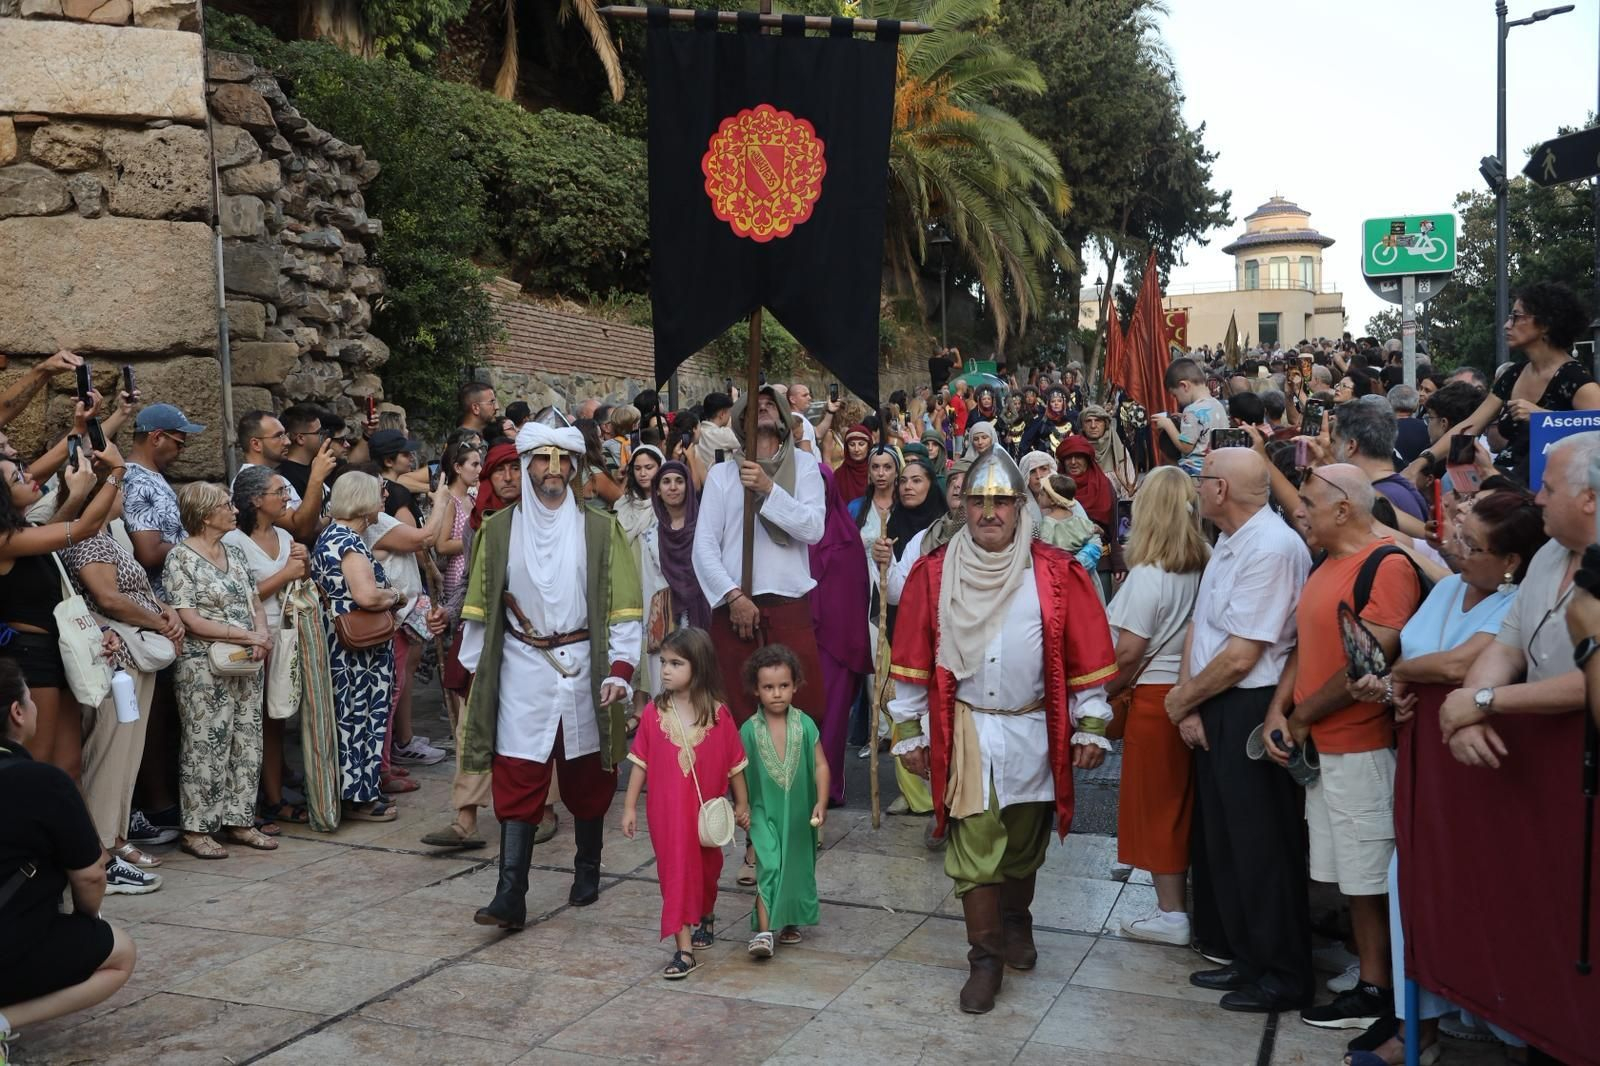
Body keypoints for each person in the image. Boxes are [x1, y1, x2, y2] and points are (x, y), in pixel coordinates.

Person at [888, 444, 1116, 1014]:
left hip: (1033, 728)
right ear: (962, 505)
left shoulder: (1057, 572)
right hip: (966, 729)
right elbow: (913, 655)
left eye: (1001, 502)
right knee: (975, 842)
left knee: (1023, 839)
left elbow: (1085, 648)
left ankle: (1017, 922)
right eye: (978, 501)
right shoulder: (933, 573)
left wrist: (1090, 723)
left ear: (1021, 507)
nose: (989, 513)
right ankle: (984, 959)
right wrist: (909, 732)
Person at [1341, 488, 1544, 1064]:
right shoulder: (1451, 586)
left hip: (1481, 777)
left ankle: (1502, 1023)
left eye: (1470, 544)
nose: (1454, 550)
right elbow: (1423, 651)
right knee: (1415, 884)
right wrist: (1394, 687)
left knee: (1481, 895)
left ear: (1510, 562)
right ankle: (1417, 1024)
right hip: (1422, 763)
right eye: (1457, 537)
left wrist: (1398, 674)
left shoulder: (1518, 602)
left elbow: (1463, 664)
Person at [459, 420, 643, 928]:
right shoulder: (496, 530)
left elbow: (626, 608)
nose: (552, 470)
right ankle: (509, 895)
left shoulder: (602, 529)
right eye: (541, 459)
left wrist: (620, 670)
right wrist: (477, 673)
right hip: (521, 666)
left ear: (577, 466)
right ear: (524, 466)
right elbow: (480, 606)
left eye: (562, 460)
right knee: (517, 774)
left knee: (587, 776)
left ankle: (588, 867)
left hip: (587, 664)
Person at [1265, 465, 1423, 1031]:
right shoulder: (1327, 563)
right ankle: (1370, 971)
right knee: (1348, 874)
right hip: (1324, 744)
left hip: (1360, 746)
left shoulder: (1388, 565)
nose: (1299, 511)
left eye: (1307, 501)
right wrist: (1279, 709)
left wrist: (1302, 715)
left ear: (1343, 509)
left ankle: (1379, 989)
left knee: (1369, 875)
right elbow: (1307, 649)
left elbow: (1369, 659)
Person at [1168, 447, 1313, 1013]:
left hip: (1249, 704)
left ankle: (1283, 971)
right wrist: (1189, 705)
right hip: (1216, 701)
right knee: (1225, 841)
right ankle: (1247, 957)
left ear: (1222, 490)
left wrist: (1183, 699)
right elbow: (1201, 629)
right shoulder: (1230, 540)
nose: (1196, 490)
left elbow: (1243, 655)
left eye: (1202, 480)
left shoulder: (1273, 548)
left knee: (1261, 845)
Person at [0, 660, 138, 1056]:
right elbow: (92, 875)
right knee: (119, 954)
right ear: (18, 712)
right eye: (30, 698)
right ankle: (4, 1022)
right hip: (7, 949)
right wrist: (84, 922)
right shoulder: (43, 782)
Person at [1437, 432, 1598, 766]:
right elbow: (1507, 648)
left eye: (1550, 490)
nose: (1538, 499)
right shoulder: (1547, 555)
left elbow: (1591, 679)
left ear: (1590, 499)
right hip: (1548, 761)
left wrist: (1484, 700)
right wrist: (1470, 710)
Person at [61, 488, 183, 893]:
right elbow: (108, 597)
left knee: (130, 747)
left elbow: (132, 590)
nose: (125, 497)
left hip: (135, 646)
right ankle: (101, 847)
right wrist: (161, 621)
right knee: (111, 747)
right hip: (116, 652)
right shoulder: (88, 538)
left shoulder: (111, 534)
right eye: (117, 489)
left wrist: (162, 613)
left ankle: (115, 836)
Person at [1107, 467, 1207, 946]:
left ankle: (1171, 913)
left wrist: (1102, 691)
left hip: (1152, 697)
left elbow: (1128, 650)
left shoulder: (1150, 574)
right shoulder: (1205, 560)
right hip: (1190, 692)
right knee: (1180, 802)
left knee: (1159, 805)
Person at [619, 626, 750, 978]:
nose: (665, 670)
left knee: (707, 872)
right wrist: (629, 806)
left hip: (706, 816)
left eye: (676, 663)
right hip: (666, 816)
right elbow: (639, 764)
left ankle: (705, 913)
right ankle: (684, 950)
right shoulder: (652, 714)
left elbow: (736, 763)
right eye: (663, 662)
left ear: (699, 666)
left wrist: (742, 805)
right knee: (675, 874)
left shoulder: (719, 714)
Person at [692, 387, 827, 723]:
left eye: (771, 405)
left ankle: (795, 778)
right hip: (736, 613)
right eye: (756, 406)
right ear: (741, 420)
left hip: (788, 609)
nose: (764, 409)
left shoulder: (805, 466)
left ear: (783, 417)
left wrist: (768, 489)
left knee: (802, 713)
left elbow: (813, 529)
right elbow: (704, 546)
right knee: (735, 715)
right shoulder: (723, 474)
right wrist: (733, 596)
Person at [163, 481, 274, 860]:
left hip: (245, 661)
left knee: (247, 739)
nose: (235, 510)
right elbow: (188, 618)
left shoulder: (234, 552)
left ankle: (240, 820)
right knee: (205, 742)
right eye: (227, 505)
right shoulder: (180, 557)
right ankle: (196, 829)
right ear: (206, 515)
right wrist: (245, 634)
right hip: (203, 667)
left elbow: (254, 599)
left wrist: (260, 634)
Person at [0, 439, 124, 778]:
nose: (28, 477)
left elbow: (57, 527)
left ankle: (69, 831)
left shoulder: (25, 532)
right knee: (36, 762)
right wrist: (116, 472)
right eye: (16, 479)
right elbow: (82, 529)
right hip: (31, 656)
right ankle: (28, 830)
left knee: (69, 765)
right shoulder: (4, 540)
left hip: (59, 650)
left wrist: (77, 491)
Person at [1402, 282, 1600, 485]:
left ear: (1545, 324)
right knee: (1450, 485)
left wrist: (1544, 419)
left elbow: (1595, 435)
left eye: (1516, 317)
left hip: (1546, 492)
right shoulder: (1513, 375)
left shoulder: (1575, 379)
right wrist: (1422, 461)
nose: (1507, 325)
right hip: (1507, 484)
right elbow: (1470, 427)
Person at [311, 473, 403, 825]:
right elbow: (365, 596)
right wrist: (396, 595)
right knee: (359, 718)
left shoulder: (333, 536)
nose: (384, 500)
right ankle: (360, 797)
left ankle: (359, 792)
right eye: (380, 495)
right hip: (358, 653)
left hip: (346, 647)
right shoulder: (348, 541)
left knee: (352, 717)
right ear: (363, 501)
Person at [223, 466, 308, 831]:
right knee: (245, 724)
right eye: (279, 491)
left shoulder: (287, 537)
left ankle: (274, 799)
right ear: (256, 499)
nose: (287, 496)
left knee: (274, 723)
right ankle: (242, 804)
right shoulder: (232, 543)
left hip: (284, 639)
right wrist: (286, 575)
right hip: (250, 642)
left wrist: (302, 574)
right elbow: (235, 597)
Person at [737, 643, 826, 958]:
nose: (777, 693)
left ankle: (791, 922)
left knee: (797, 867)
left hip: (801, 815)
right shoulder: (749, 730)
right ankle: (763, 932)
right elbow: (738, 770)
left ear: (796, 686)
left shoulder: (805, 725)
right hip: (764, 813)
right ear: (756, 690)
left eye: (784, 686)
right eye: (769, 687)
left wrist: (821, 802)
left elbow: (821, 766)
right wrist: (742, 805)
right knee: (770, 866)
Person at [807, 463, 871, 807]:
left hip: (835, 646)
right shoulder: (791, 529)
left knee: (830, 718)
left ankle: (826, 787)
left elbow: (856, 592)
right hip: (798, 636)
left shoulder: (846, 537)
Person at [1330, 396, 1429, 523]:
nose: (1329, 448)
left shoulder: (1376, 501)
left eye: (1333, 441)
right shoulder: (1396, 490)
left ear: (1351, 446)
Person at [235, 410, 329, 542]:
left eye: (285, 434)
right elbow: (302, 531)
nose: (287, 442)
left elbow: (315, 525)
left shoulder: (276, 478)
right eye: (278, 436)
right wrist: (316, 477)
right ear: (256, 444)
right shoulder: (249, 483)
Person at [1154, 359, 1229, 477]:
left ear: (1184, 386)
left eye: (1175, 395)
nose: (1176, 399)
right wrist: (1184, 418)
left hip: (1195, 471)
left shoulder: (1191, 410)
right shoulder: (1217, 405)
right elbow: (1204, 426)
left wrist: (1167, 425)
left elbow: (1185, 447)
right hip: (1217, 466)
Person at [1080, 404, 1137, 497]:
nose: (1093, 425)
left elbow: (1129, 486)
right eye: (1088, 421)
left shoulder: (1119, 451)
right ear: (1082, 425)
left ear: (1105, 424)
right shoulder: (1077, 451)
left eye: (1098, 421)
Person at [1019, 385, 1075, 457]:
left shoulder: (1072, 418)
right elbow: (1025, 442)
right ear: (1049, 404)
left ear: (1064, 403)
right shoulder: (1040, 421)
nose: (1056, 404)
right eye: (1053, 401)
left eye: (1059, 401)